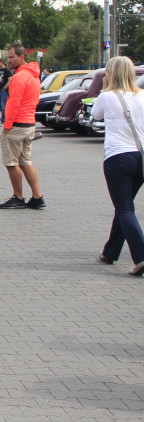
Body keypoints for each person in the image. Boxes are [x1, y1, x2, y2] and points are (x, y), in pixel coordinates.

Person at [90, 56, 144, 276]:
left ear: (110, 74)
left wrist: (103, 89)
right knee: (124, 206)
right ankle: (110, 252)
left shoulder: (107, 96)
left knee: (125, 209)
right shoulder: (142, 96)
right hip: (140, 157)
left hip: (117, 158)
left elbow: (95, 116)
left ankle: (141, 257)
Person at [0, 43, 45, 209]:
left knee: (11, 162)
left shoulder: (18, 77)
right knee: (25, 161)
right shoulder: (34, 76)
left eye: (12, 57)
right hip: (29, 123)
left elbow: (13, 103)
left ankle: (18, 198)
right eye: (8, 57)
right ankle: (38, 197)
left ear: (22, 57)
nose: (8, 60)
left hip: (16, 125)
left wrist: (7, 125)